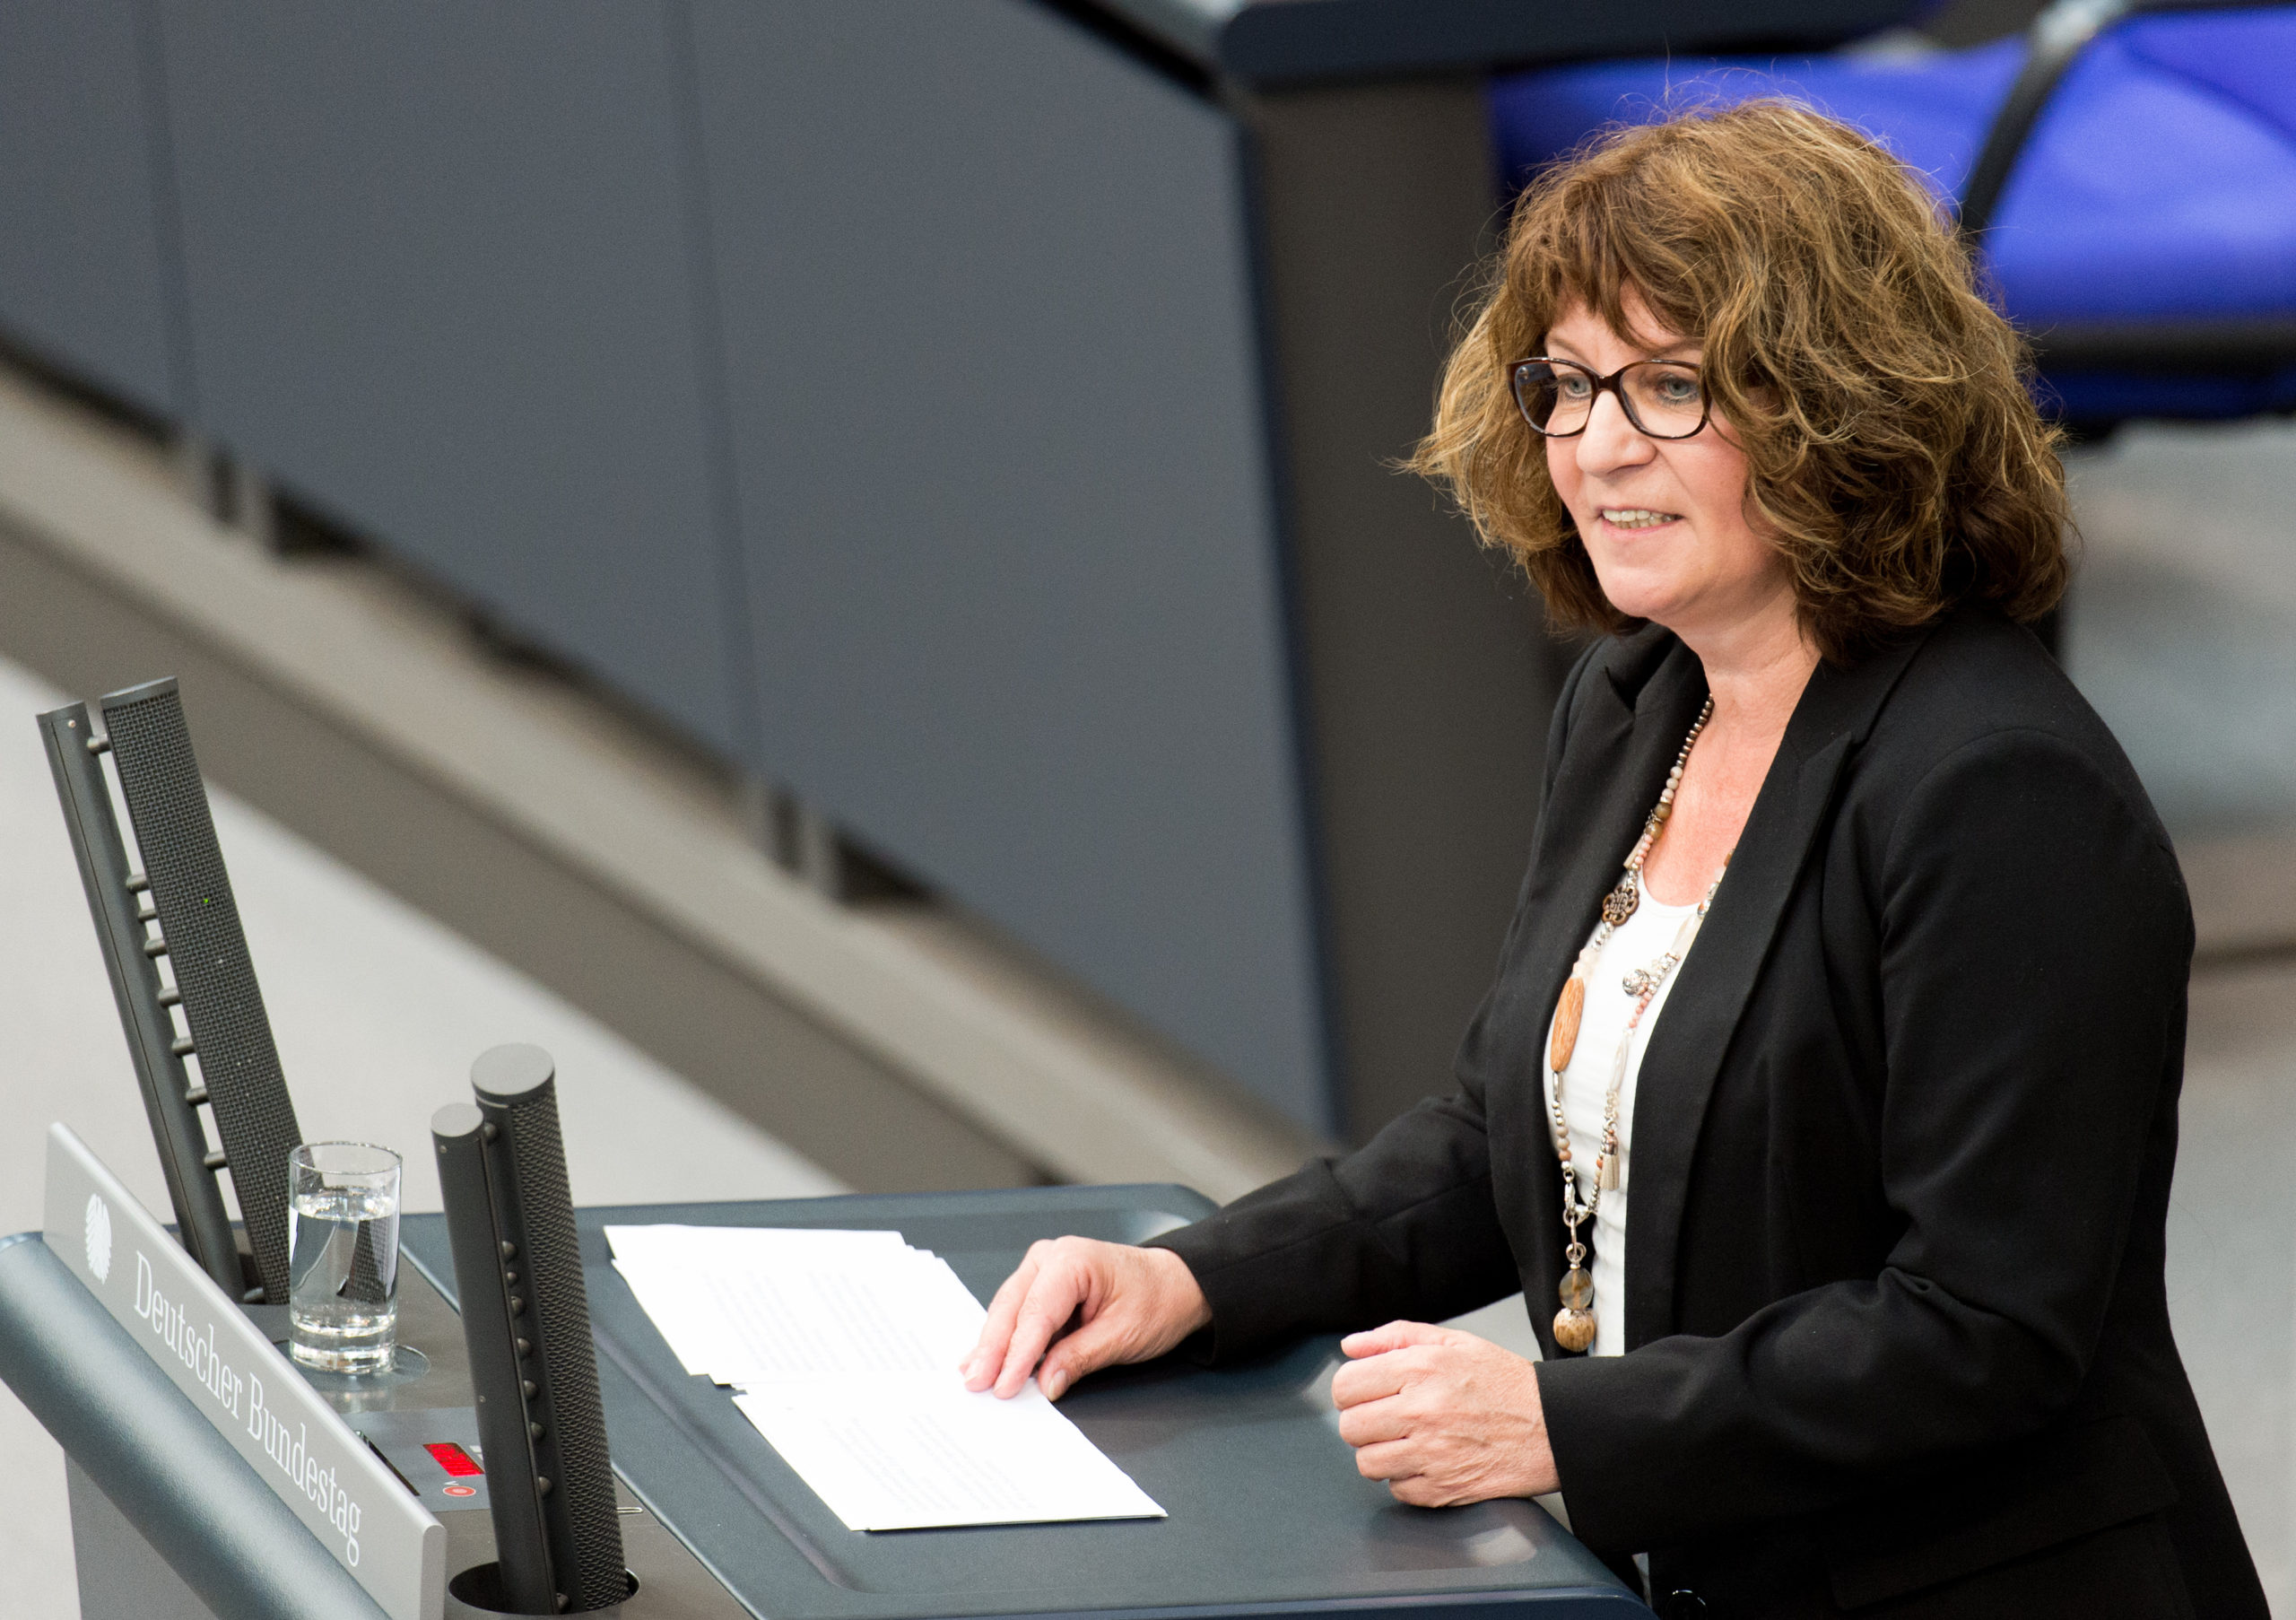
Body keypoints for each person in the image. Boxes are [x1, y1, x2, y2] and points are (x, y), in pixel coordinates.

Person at [961, 102, 2267, 1619]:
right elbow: (1515, 1130)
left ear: (1837, 402)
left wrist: (1555, 1426)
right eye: (1567, 386)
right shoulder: (1641, 697)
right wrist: (1194, 1277)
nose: (1594, 446)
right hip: (1698, 1561)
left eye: (1668, 387)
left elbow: (1985, 1328)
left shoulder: (2002, 790)